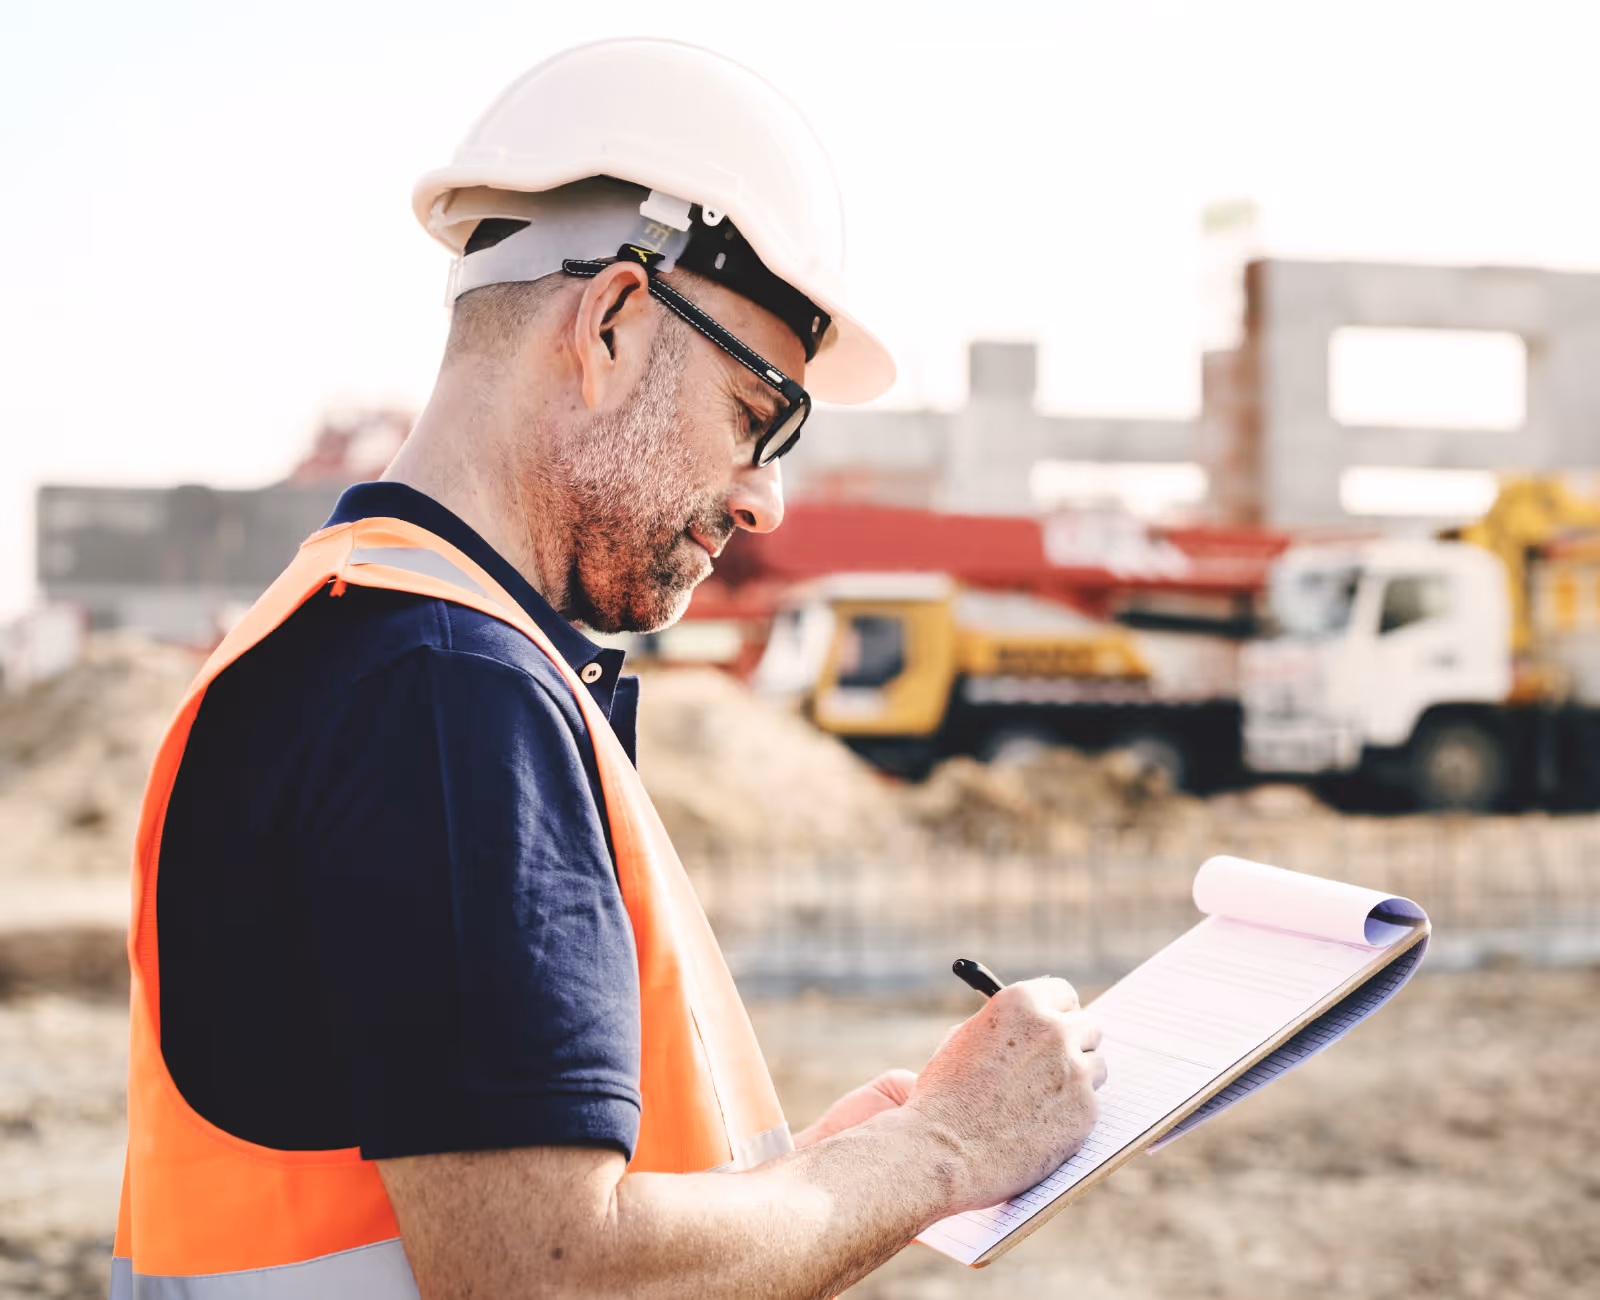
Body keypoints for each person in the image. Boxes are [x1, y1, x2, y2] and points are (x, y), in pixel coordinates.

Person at [110, 38, 1105, 1300]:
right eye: (759, 416)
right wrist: (943, 1146)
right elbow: (548, 1276)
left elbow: (510, 1220)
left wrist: (826, 1181)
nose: (769, 503)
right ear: (615, 322)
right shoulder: (443, 690)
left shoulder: (355, 632)